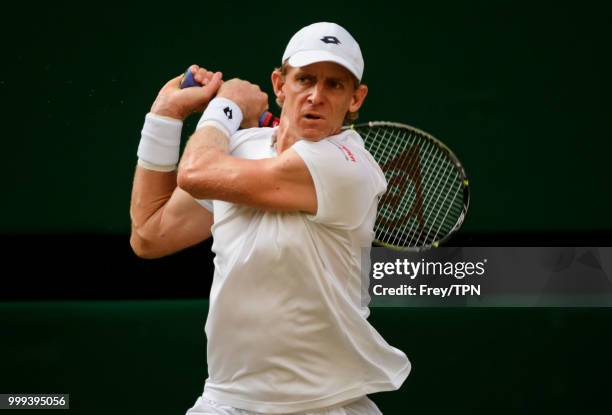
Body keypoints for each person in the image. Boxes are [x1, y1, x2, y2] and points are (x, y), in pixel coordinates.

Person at [130, 22, 411, 415]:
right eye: (305, 79)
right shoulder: (242, 149)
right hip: (226, 401)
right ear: (280, 85)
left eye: (335, 85)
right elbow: (150, 233)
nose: (316, 95)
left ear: (355, 98)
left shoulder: (346, 168)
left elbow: (196, 172)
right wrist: (165, 115)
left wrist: (223, 108)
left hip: (327, 406)